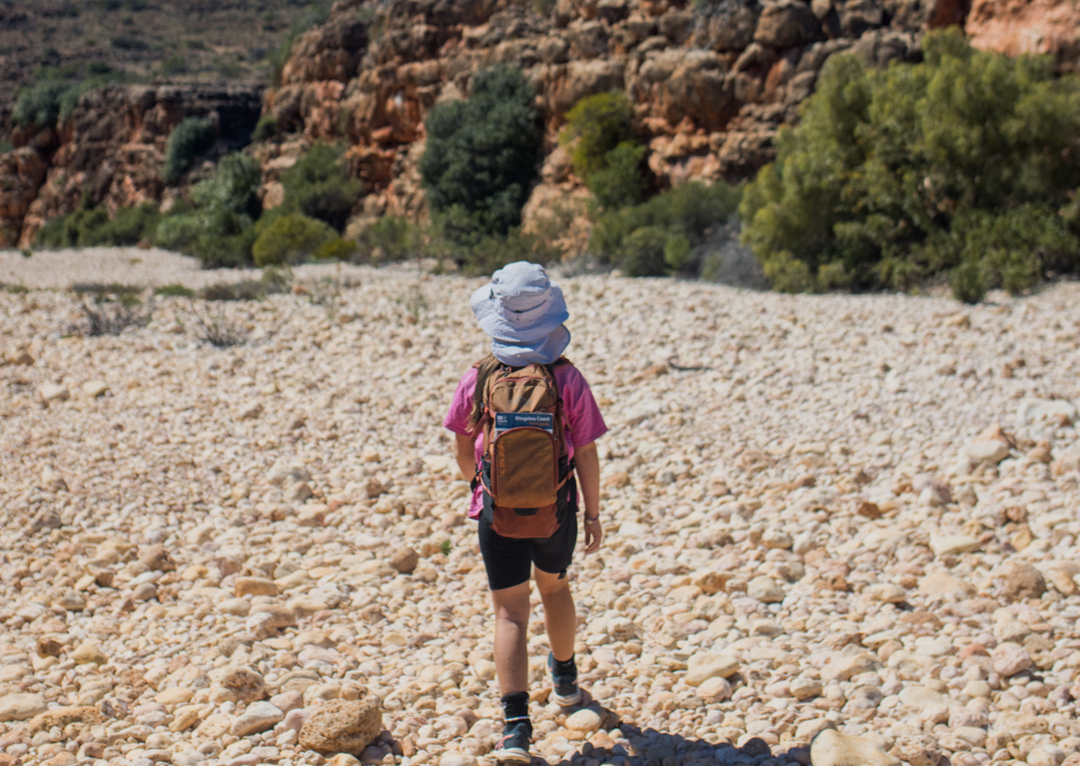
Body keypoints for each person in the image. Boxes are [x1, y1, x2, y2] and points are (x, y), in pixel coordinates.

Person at [443, 262, 608, 764]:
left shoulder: (479, 376)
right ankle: (565, 682)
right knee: (554, 588)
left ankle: (515, 727)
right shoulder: (567, 378)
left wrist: (480, 487)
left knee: (510, 612)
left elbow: (462, 442)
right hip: (556, 511)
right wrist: (594, 514)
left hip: (497, 513)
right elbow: (586, 454)